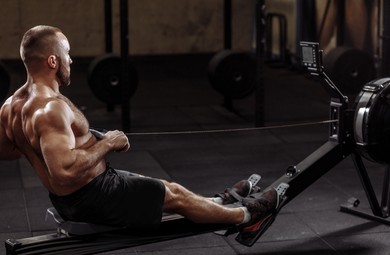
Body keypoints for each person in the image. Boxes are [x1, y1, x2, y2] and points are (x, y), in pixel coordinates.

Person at [0, 25, 278, 237]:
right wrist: (107, 143)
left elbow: (7, 150)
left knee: (168, 189)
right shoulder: (51, 108)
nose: (70, 60)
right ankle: (245, 217)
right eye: (67, 54)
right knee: (175, 196)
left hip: (74, 195)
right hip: (93, 197)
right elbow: (64, 171)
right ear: (52, 61)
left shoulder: (10, 107)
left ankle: (218, 203)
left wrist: (40, 146)